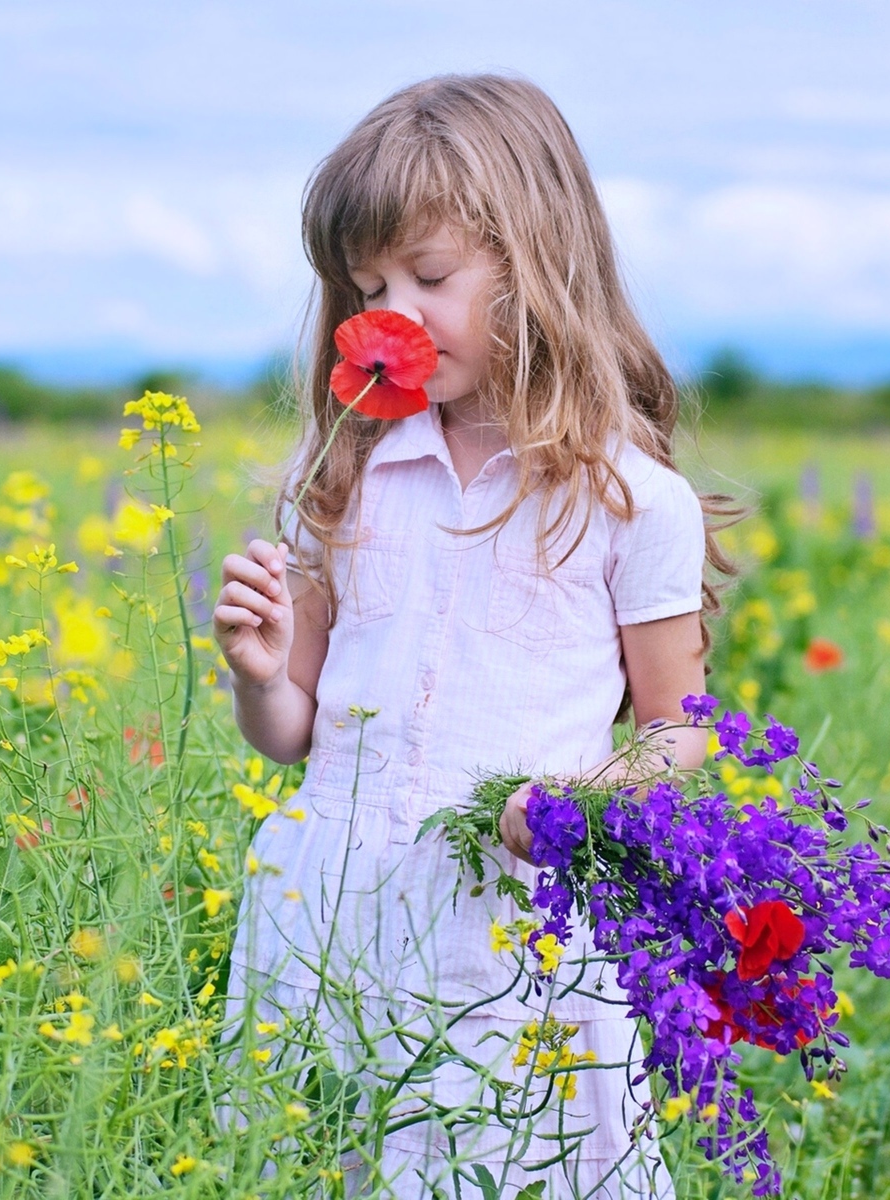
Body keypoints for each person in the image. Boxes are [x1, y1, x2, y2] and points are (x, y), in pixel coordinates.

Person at [214, 74, 734, 1199]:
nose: (389, 313)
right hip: (329, 910)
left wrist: (573, 804)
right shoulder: (339, 475)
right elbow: (291, 734)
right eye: (366, 286)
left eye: (430, 277)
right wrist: (259, 676)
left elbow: (678, 732)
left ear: (536, 261)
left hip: (510, 928)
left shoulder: (634, 501)